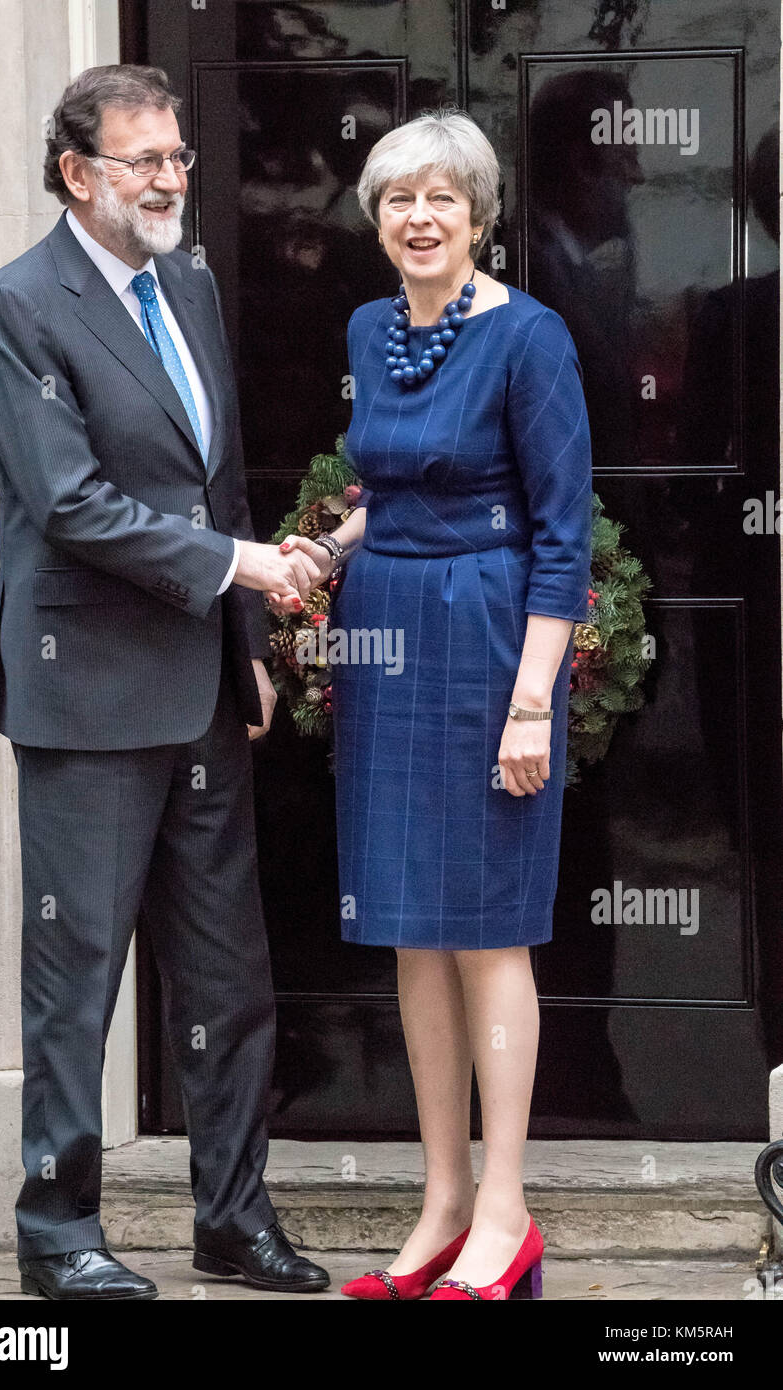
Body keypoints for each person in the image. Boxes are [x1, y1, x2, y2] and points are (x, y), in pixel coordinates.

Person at [0, 63, 328, 1300]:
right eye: (147, 161)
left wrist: (246, 648)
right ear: (78, 173)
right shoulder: (18, 305)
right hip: (86, 699)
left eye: (179, 156)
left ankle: (233, 1222)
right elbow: (68, 504)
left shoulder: (188, 279)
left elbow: (211, 481)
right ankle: (60, 1237)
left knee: (229, 983)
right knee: (77, 984)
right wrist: (240, 569)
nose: (174, 179)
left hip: (201, 695)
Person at [274, 109, 593, 1301]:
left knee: (488, 923)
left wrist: (528, 705)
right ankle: (442, 1201)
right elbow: (392, 480)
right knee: (414, 924)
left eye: (440, 198)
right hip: (385, 632)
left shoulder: (531, 338)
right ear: (376, 218)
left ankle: (506, 1214)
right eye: (396, 198)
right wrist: (332, 544)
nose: (417, 217)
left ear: (477, 214)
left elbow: (561, 536)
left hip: (484, 630)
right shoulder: (370, 325)